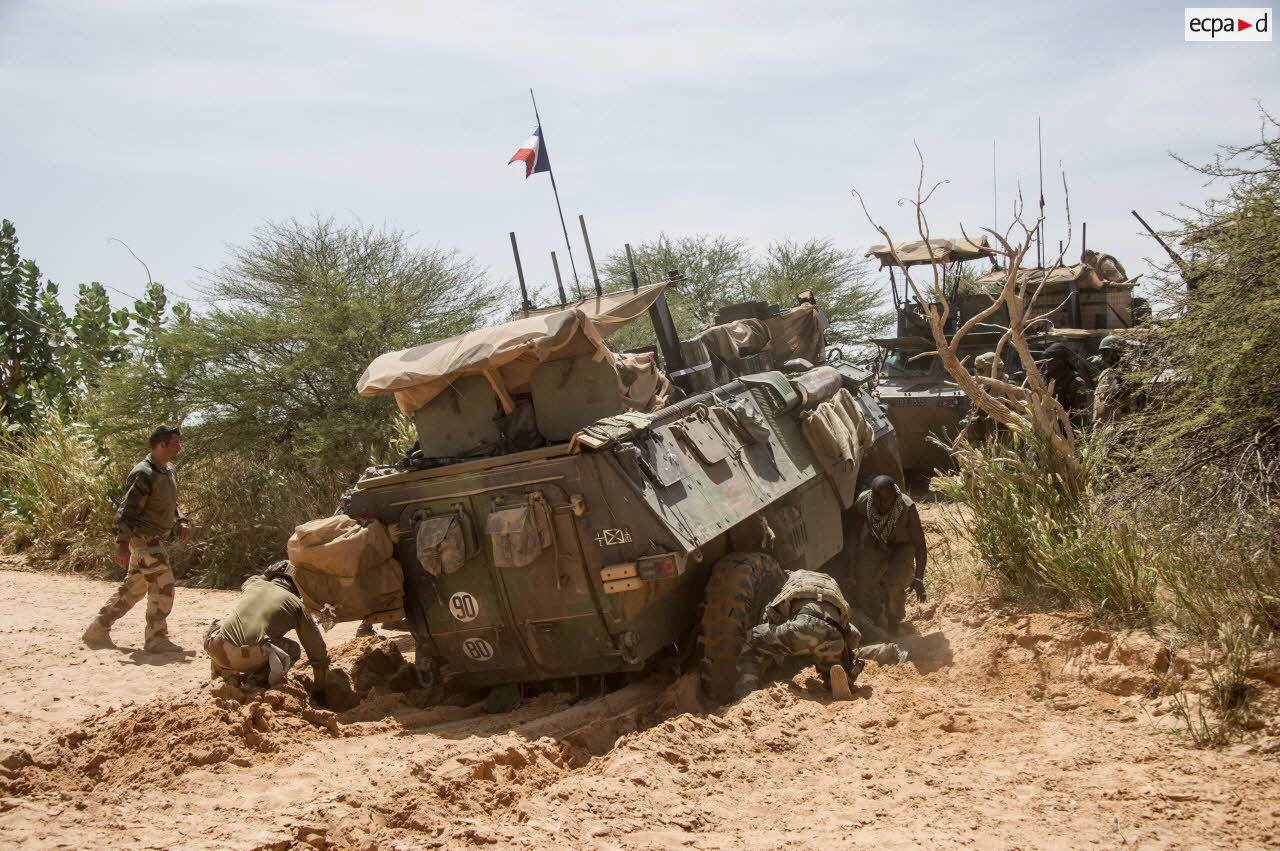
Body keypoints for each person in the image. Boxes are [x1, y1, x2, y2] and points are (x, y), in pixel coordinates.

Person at [83, 425, 189, 652]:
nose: (179, 447)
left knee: (134, 588)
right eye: (175, 443)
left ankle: (98, 628)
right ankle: (156, 638)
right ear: (161, 445)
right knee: (163, 584)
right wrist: (122, 546)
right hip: (144, 539)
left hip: (155, 539)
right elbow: (126, 511)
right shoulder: (143, 473)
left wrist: (181, 519)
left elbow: (170, 501)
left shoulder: (167, 470)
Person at [734, 569, 905, 702]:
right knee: (830, 667)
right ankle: (838, 679)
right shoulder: (831, 585)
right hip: (834, 634)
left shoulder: (790, 581)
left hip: (803, 627)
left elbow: (773, 615)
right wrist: (845, 655)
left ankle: (746, 693)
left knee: (753, 639)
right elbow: (854, 634)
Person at [203, 561, 329, 702]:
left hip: (216, 648)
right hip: (249, 657)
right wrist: (320, 690)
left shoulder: (253, 584)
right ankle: (256, 683)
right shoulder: (296, 605)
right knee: (293, 649)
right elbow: (316, 650)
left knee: (218, 626)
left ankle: (223, 677)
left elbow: (255, 578)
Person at [847, 475, 927, 635]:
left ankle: (893, 621)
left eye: (888, 499)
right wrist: (851, 567)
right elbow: (853, 536)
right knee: (863, 581)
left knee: (895, 583)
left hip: (902, 546)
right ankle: (876, 616)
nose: (884, 504)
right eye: (879, 500)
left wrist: (918, 578)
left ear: (895, 497)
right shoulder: (864, 503)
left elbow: (920, 546)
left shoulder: (906, 507)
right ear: (872, 496)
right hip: (876, 541)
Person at [1040, 342, 1091, 419]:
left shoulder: (1075, 382)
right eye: (1045, 360)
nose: (1047, 363)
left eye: (1050, 360)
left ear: (1061, 361)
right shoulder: (1045, 378)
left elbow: (1080, 415)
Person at [1093, 335, 1136, 423]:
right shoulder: (1105, 373)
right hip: (1101, 424)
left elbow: (1139, 400)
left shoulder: (1131, 373)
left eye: (1107, 352)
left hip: (1120, 424)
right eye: (1102, 351)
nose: (1103, 355)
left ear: (1118, 352)